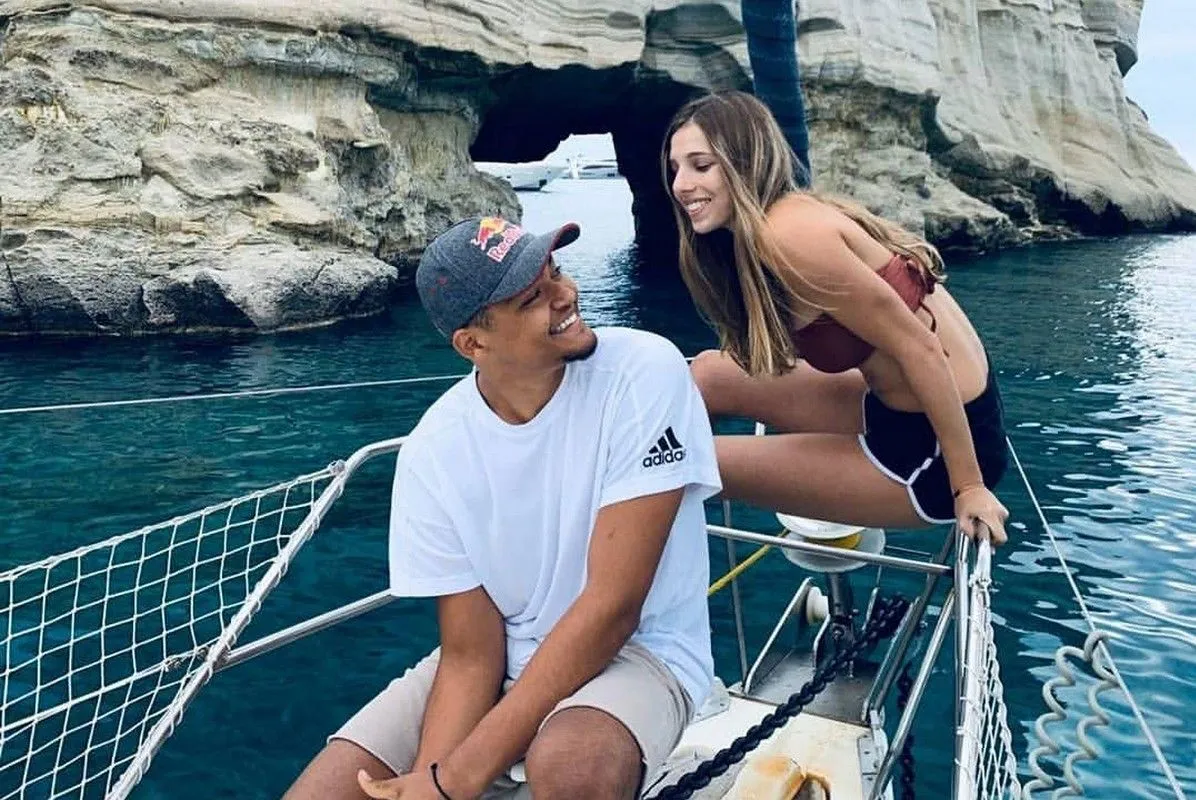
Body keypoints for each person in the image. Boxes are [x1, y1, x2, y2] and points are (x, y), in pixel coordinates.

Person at [282, 215, 721, 800]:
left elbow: (613, 608)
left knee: (570, 766)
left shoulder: (643, 372)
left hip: (642, 651)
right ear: (473, 344)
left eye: (556, 272)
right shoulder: (433, 452)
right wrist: (433, 781)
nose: (566, 295)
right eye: (533, 297)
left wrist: (455, 779)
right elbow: (470, 656)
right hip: (500, 661)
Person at [661, 90, 1010, 545]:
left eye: (701, 166)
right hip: (893, 404)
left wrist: (969, 487)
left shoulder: (790, 239)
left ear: (746, 162)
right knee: (707, 372)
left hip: (936, 455)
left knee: (680, 463)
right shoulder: (787, 213)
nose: (681, 185)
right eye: (676, 169)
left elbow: (921, 348)